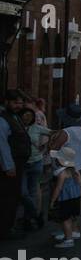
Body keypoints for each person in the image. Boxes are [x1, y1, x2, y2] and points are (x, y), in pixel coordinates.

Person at [0, 90, 31, 238]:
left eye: (20, 103)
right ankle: (5, 228)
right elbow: (2, 144)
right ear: (6, 102)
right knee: (8, 196)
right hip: (11, 164)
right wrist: (8, 165)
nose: (19, 105)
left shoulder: (14, 116)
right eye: (15, 102)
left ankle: (8, 225)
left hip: (18, 162)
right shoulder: (3, 119)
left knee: (13, 195)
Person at [19, 108, 52, 230]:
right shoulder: (17, 127)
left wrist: (47, 146)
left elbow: (53, 133)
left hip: (36, 162)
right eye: (25, 115)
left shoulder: (37, 128)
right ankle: (37, 215)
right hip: (22, 164)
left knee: (32, 192)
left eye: (29, 115)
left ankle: (27, 219)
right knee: (23, 193)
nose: (27, 118)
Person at [49, 146, 81, 249]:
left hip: (65, 199)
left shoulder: (62, 173)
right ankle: (75, 232)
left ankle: (68, 239)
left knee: (65, 219)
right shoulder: (75, 170)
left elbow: (58, 188)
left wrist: (53, 200)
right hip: (76, 197)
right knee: (72, 217)